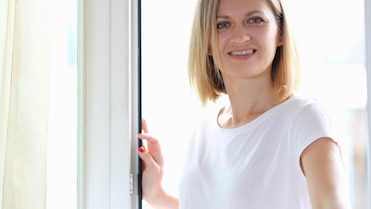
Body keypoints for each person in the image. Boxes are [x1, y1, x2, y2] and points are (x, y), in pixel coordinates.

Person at [137, 0, 350, 208]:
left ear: (280, 33)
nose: (240, 37)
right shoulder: (203, 130)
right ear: (207, 42)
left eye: (255, 20)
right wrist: (157, 196)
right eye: (222, 24)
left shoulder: (303, 119)